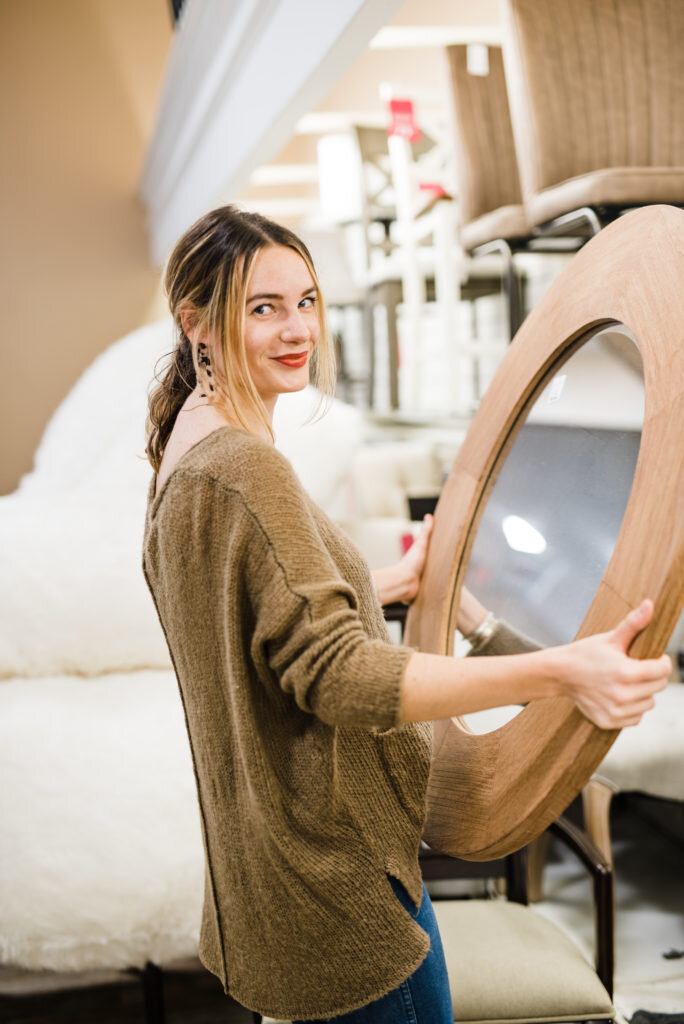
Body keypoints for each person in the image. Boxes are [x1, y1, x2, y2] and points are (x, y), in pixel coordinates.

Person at [142, 205, 670, 1024]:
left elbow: (253, 619)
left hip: (275, 875)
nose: (297, 330)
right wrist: (566, 667)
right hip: (337, 885)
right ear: (197, 323)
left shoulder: (189, 447)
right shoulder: (248, 469)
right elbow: (340, 678)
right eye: (263, 308)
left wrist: (382, 582)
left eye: (307, 301)